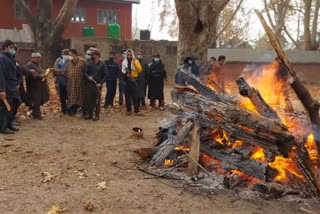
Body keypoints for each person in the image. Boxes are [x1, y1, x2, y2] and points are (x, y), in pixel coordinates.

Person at [51, 49, 87, 116]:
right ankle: (71, 112)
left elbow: (86, 72)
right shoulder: (69, 63)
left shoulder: (82, 62)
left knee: (81, 98)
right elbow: (64, 72)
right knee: (71, 99)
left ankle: (85, 113)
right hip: (71, 84)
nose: (69, 56)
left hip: (80, 84)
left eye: (70, 55)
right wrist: (54, 70)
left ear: (74, 54)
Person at [0, 40, 20, 134]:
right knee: (5, 107)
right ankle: (3, 127)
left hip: (12, 87)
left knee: (10, 107)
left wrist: (16, 84)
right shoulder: (2, 58)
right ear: (5, 48)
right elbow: (1, 75)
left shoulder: (10, 58)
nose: (13, 49)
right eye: (11, 47)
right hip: (6, 87)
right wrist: (2, 89)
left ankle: (8, 124)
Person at [24, 51, 50, 120]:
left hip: (38, 85)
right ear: (33, 57)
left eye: (39, 57)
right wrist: (41, 76)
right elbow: (31, 76)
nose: (39, 59)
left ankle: (35, 114)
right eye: (38, 58)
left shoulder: (37, 64)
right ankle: (37, 115)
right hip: (33, 86)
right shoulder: (29, 65)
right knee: (36, 100)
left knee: (38, 100)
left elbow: (39, 71)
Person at [84, 50, 106, 120]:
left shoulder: (102, 65)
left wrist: (101, 83)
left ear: (98, 56)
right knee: (89, 100)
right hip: (89, 84)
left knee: (97, 101)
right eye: (93, 55)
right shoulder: (89, 64)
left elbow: (105, 75)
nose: (93, 57)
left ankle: (96, 115)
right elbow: (85, 73)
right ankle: (90, 114)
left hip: (97, 85)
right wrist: (88, 77)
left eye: (95, 55)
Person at [122, 49, 142, 115]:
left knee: (134, 96)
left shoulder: (136, 61)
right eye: (128, 55)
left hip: (133, 80)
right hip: (126, 80)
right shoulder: (124, 62)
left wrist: (134, 64)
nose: (129, 56)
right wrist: (126, 74)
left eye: (130, 54)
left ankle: (136, 110)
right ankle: (128, 110)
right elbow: (122, 71)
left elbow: (140, 70)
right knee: (127, 96)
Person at [53, 49, 69, 115]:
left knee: (69, 97)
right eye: (63, 53)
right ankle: (63, 110)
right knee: (62, 97)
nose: (64, 55)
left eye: (65, 54)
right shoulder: (58, 60)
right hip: (60, 81)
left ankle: (69, 110)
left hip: (68, 82)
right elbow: (55, 70)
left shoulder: (70, 60)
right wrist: (56, 81)